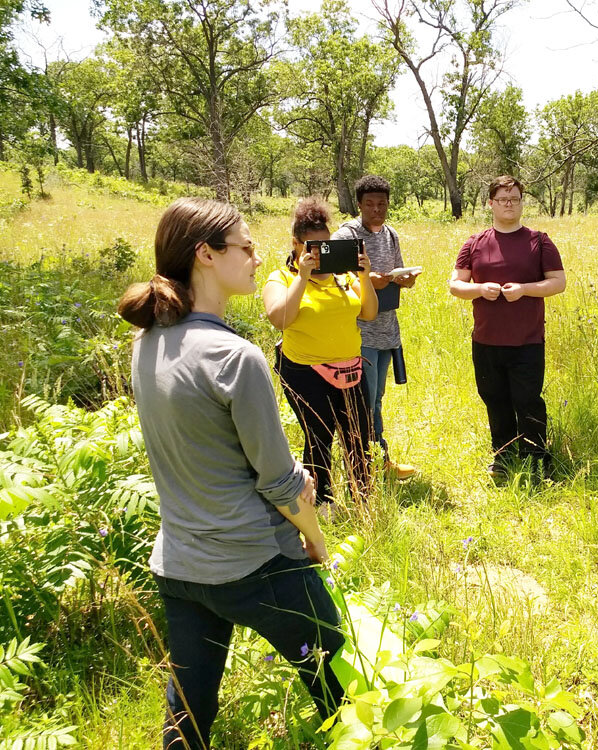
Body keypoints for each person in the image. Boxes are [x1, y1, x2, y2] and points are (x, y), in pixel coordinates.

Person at [117, 198, 345, 749]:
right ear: (205, 255)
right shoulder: (233, 356)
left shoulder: (144, 343)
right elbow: (278, 481)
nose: (254, 255)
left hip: (179, 566)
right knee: (339, 670)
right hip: (255, 561)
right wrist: (314, 540)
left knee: (189, 713)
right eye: (244, 246)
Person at [448, 175, 566, 477]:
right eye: (502, 198)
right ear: (490, 203)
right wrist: (479, 289)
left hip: (527, 339)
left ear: (523, 202)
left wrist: (525, 289)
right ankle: (503, 454)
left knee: (528, 400)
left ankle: (536, 456)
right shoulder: (474, 243)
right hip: (487, 339)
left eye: (515, 197)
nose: (509, 203)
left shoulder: (539, 241)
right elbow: (455, 285)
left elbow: (558, 283)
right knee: (495, 398)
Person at [263, 197, 378, 506]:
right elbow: (279, 319)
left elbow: (368, 313)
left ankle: (362, 498)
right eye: (313, 246)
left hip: (351, 369)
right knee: (318, 438)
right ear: (296, 244)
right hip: (305, 373)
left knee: (359, 437)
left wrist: (365, 277)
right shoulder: (281, 278)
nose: (320, 253)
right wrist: (301, 277)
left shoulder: (344, 277)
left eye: (326, 245)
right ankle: (322, 501)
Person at [331, 175, 419, 479]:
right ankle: (371, 461)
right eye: (369, 204)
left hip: (386, 329)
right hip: (358, 331)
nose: (376, 209)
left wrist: (403, 281)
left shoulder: (391, 234)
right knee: (363, 400)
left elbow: (396, 271)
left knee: (375, 397)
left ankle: (371, 461)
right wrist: (366, 281)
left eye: (382, 203)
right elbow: (329, 280)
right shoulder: (345, 236)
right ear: (358, 205)